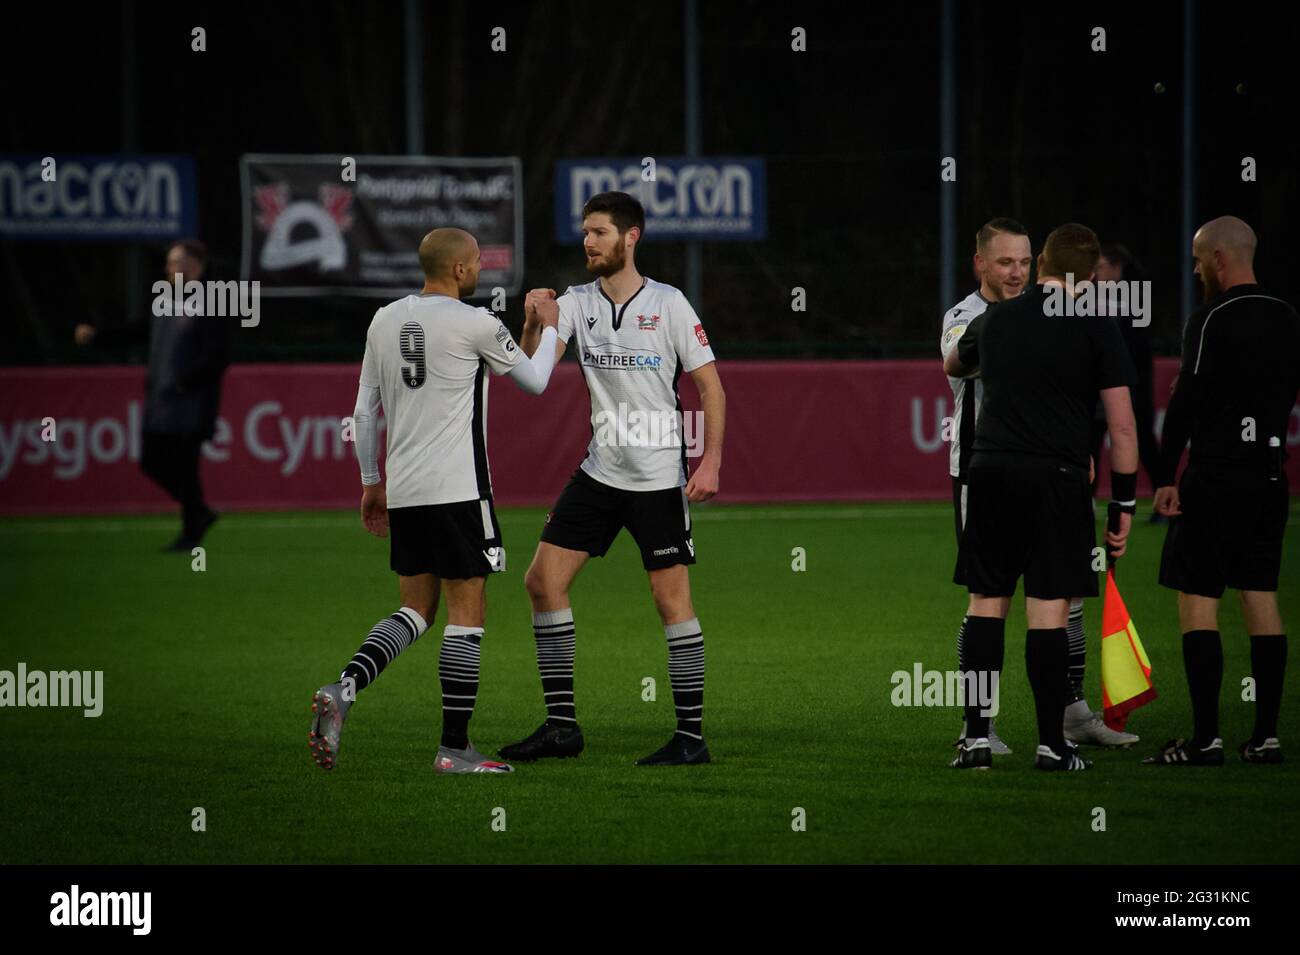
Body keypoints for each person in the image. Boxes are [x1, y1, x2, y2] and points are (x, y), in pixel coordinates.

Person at [308, 228, 561, 774]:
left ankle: (345, 687)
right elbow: (537, 383)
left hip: (407, 492)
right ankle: (454, 748)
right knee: (467, 615)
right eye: (475, 263)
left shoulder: (384, 319)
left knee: (416, 610)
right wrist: (553, 329)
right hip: (461, 492)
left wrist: (371, 482)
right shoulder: (475, 323)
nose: (479, 271)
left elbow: (361, 413)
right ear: (461, 271)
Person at [498, 191, 727, 766]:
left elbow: (711, 388)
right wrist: (530, 324)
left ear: (631, 237)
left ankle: (691, 739)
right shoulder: (575, 302)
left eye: (599, 232)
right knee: (541, 582)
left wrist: (713, 460)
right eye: (585, 233)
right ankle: (560, 728)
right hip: (600, 474)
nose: (588, 242)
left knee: (670, 600)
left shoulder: (670, 304)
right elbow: (533, 376)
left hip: (656, 479)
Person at [944, 223, 1138, 771]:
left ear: (1042, 262)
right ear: (1092, 273)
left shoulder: (997, 317)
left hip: (991, 471)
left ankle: (977, 738)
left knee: (986, 604)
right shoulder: (1096, 328)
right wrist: (1122, 504)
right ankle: (1053, 745)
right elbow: (1122, 429)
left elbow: (954, 363)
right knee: (1049, 612)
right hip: (1056, 477)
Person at [1145, 215, 1300, 766]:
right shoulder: (1287, 316)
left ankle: (1205, 738)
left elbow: (1187, 402)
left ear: (1217, 259)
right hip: (1269, 477)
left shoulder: (1211, 318)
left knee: (1198, 597)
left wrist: (1164, 475)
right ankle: (1266, 737)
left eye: (1197, 259)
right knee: (1261, 596)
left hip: (1216, 477)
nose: (1194, 269)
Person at [74, 240, 228, 551]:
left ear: (195, 266)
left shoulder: (213, 301)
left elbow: (218, 355)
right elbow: (139, 330)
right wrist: (98, 336)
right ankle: (198, 512)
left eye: (176, 262)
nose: (170, 269)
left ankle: (191, 532)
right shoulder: (166, 300)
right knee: (152, 461)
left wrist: (188, 382)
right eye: (170, 263)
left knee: (185, 467)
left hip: (191, 402)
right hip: (161, 400)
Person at [1091, 244, 1163, 519]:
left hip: (1129, 390)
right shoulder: (1098, 298)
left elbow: (1135, 349)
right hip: (1104, 390)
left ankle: (1163, 496)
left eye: (1100, 268)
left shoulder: (1135, 300)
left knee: (1142, 443)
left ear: (1117, 266)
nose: (1096, 274)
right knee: (1092, 445)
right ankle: (1087, 502)